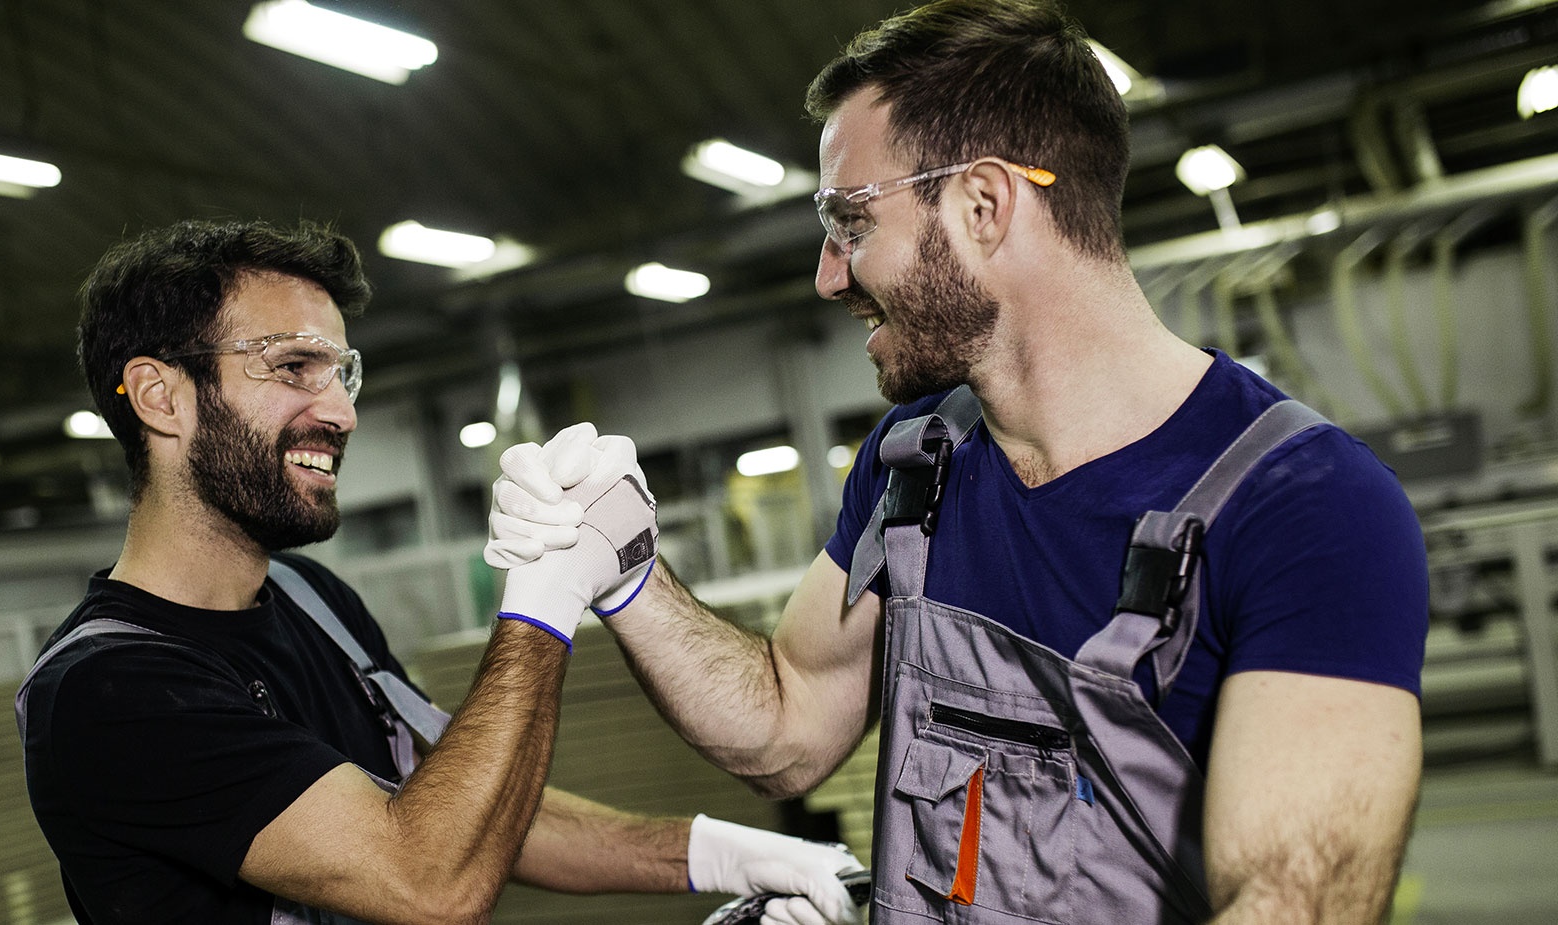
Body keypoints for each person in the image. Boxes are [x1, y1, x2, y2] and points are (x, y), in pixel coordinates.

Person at [485, 2, 1428, 922]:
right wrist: (628, 567)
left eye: (851, 223)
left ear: (984, 204)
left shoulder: (1306, 507)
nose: (827, 273)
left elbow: (1293, 904)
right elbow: (787, 722)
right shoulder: (914, 469)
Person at [16, 219, 866, 925]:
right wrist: (545, 594)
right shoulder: (106, 690)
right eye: (293, 367)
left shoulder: (316, 601)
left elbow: (460, 805)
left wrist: (728, 854)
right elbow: (426, 878)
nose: (341, 411)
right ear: (160, 396)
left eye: (342, 373)